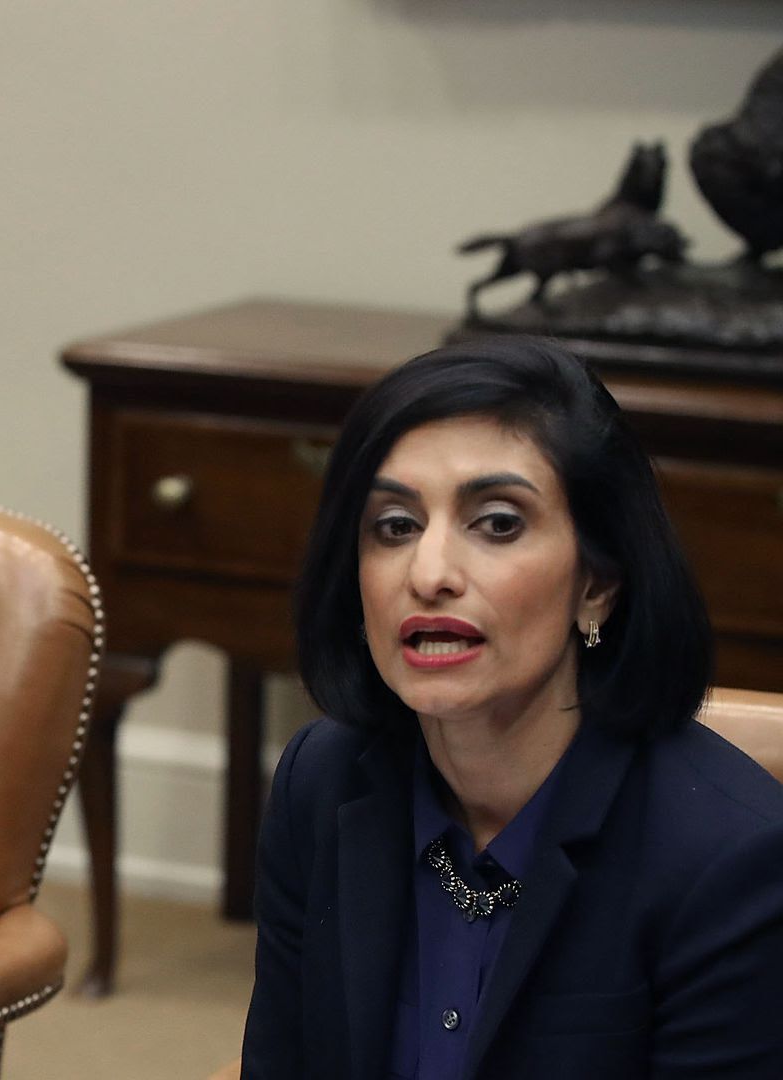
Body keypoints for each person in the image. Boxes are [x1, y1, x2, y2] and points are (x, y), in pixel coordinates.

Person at [241, 338, 783, 1079]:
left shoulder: (733, 860)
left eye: (497, 523)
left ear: (597, 582)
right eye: (395, 526)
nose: (429, 574)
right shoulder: (321, 782)